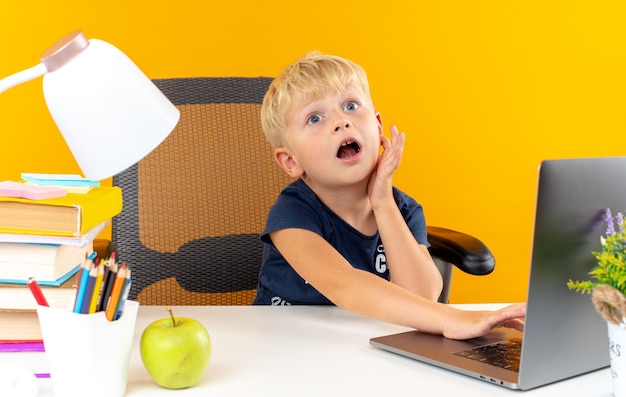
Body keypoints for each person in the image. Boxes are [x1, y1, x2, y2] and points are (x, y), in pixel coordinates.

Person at [253, 51, 525, 340]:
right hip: (287, 343)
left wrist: (383, 202)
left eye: (351, 105)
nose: (341, 121)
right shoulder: (292, 213)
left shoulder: (403, 209)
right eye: (315, 118)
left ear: (378, 126)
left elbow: (422, 293)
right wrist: (453, 318)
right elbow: (345, 285)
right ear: (290, 161)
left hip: (362, 340)